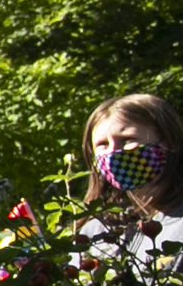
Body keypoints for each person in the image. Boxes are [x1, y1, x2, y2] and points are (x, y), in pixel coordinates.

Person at [78, 94, 183, 265]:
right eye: (102, 144)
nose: (113, 153)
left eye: (127, 140)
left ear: (170, 142)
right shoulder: (95, 233)